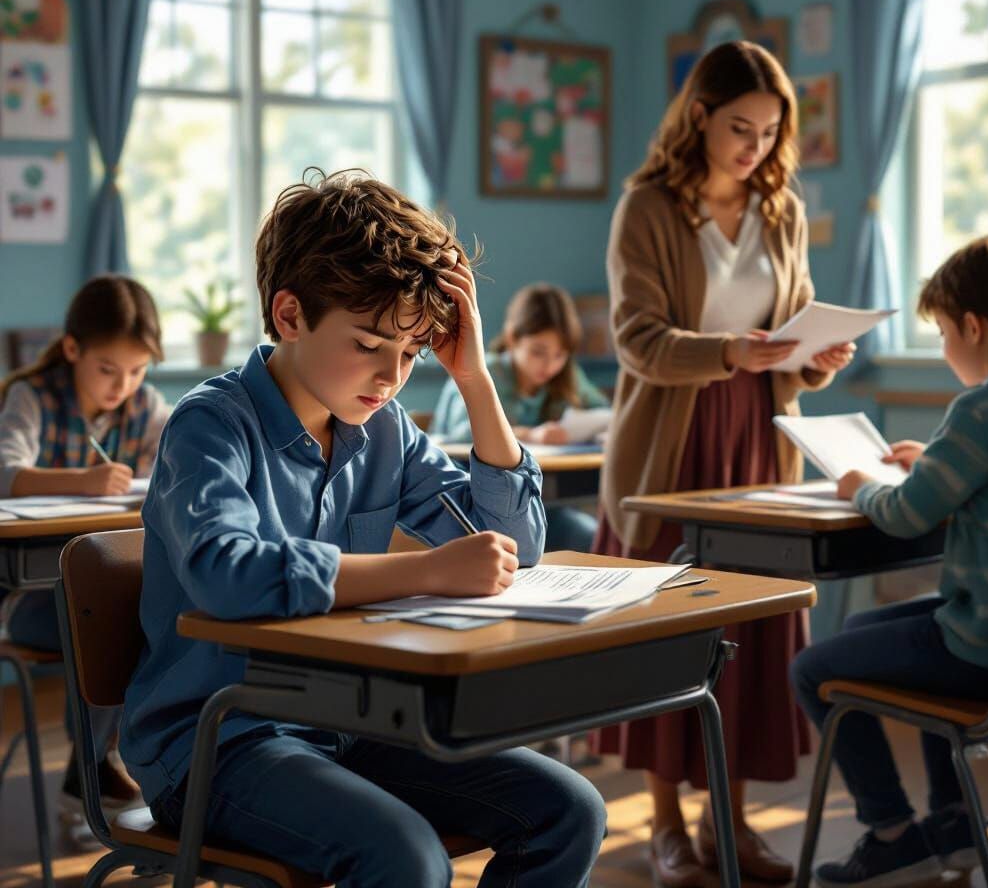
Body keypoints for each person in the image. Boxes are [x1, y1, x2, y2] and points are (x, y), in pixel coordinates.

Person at [119, 170, 606, 888]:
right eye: (371, 344)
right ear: (290, 315)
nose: (391, 376)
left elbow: (516, 544)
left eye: (411, 353)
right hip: (218, 740)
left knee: (569, 810)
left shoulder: (385, 430)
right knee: (406, 858)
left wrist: (474, 379)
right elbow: (230, 574)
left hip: (342, 722)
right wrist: (425, 571)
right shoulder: (210, 424)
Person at [593, 41, 855, 886]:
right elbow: (636, 342)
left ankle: (728, 818)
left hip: (762, 437)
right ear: (699, 116)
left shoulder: (781, 209)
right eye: (741, 127)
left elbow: (791, 328)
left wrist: (813, 359)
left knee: (751, 626)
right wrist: (732, 354)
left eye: (771, 131)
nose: (756, 146)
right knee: (668, 630)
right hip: (671, 442)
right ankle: (666, 822)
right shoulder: (646, 207)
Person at [792, 232, 988, 888]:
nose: (947, 346)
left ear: (974, 327)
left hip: (987, 658)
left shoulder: (981, 409)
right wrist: (933, 464)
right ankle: (952, 824)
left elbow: (902, 515)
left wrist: (857, 484)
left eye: (945, 331)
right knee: (868, 636)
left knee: (813, 668)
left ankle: (892, 834)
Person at [0, 274, 169, 821]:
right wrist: (80, 480)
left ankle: (106, 765)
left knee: (147, 612)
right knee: (105, 619)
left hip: (98, 590)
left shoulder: (146, 408)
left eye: (137, 371)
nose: (123, 385)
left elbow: (176, 465)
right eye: (107, 370)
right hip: (24, 601)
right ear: (72, 349)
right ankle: (93, 769)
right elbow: (3, 473)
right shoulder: (34, 396)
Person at [433, 282, 608, 550]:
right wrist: (531, 435)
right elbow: (463, 436)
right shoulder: (481, 372)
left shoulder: (564, 377)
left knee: (590, 534)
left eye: (560, 355)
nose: (549, 365)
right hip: (468, 499)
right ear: (513, 339)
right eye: (538, 352)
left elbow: (603, 411)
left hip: (529, 501)